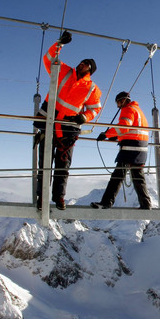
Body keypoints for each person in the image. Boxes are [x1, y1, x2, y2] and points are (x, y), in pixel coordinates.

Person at [34, 30, 101, 210]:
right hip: (51, 121)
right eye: (82, 62)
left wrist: (84, 117)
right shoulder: (62, 70)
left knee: (63, 165)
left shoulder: (92, 88)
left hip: (68, 127)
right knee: (45, 164)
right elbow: (48, 59)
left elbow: (95, 108)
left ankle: (59, 198)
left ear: (90, 70)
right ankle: (43, 197)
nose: (82, 64)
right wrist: (59, 43)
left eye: (86, 64)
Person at [90, 91, 152, 210]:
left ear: (122, 100)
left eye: (118, 104)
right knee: (138, 178)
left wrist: (106, 134)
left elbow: (124, 126)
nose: (118, 107)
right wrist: (117, 136)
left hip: (130, 149)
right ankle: (146, 204)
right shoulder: (138, 111)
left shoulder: (128, 109)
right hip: (141, 149)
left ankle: (106, 202)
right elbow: (132, 130)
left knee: (117, 177)